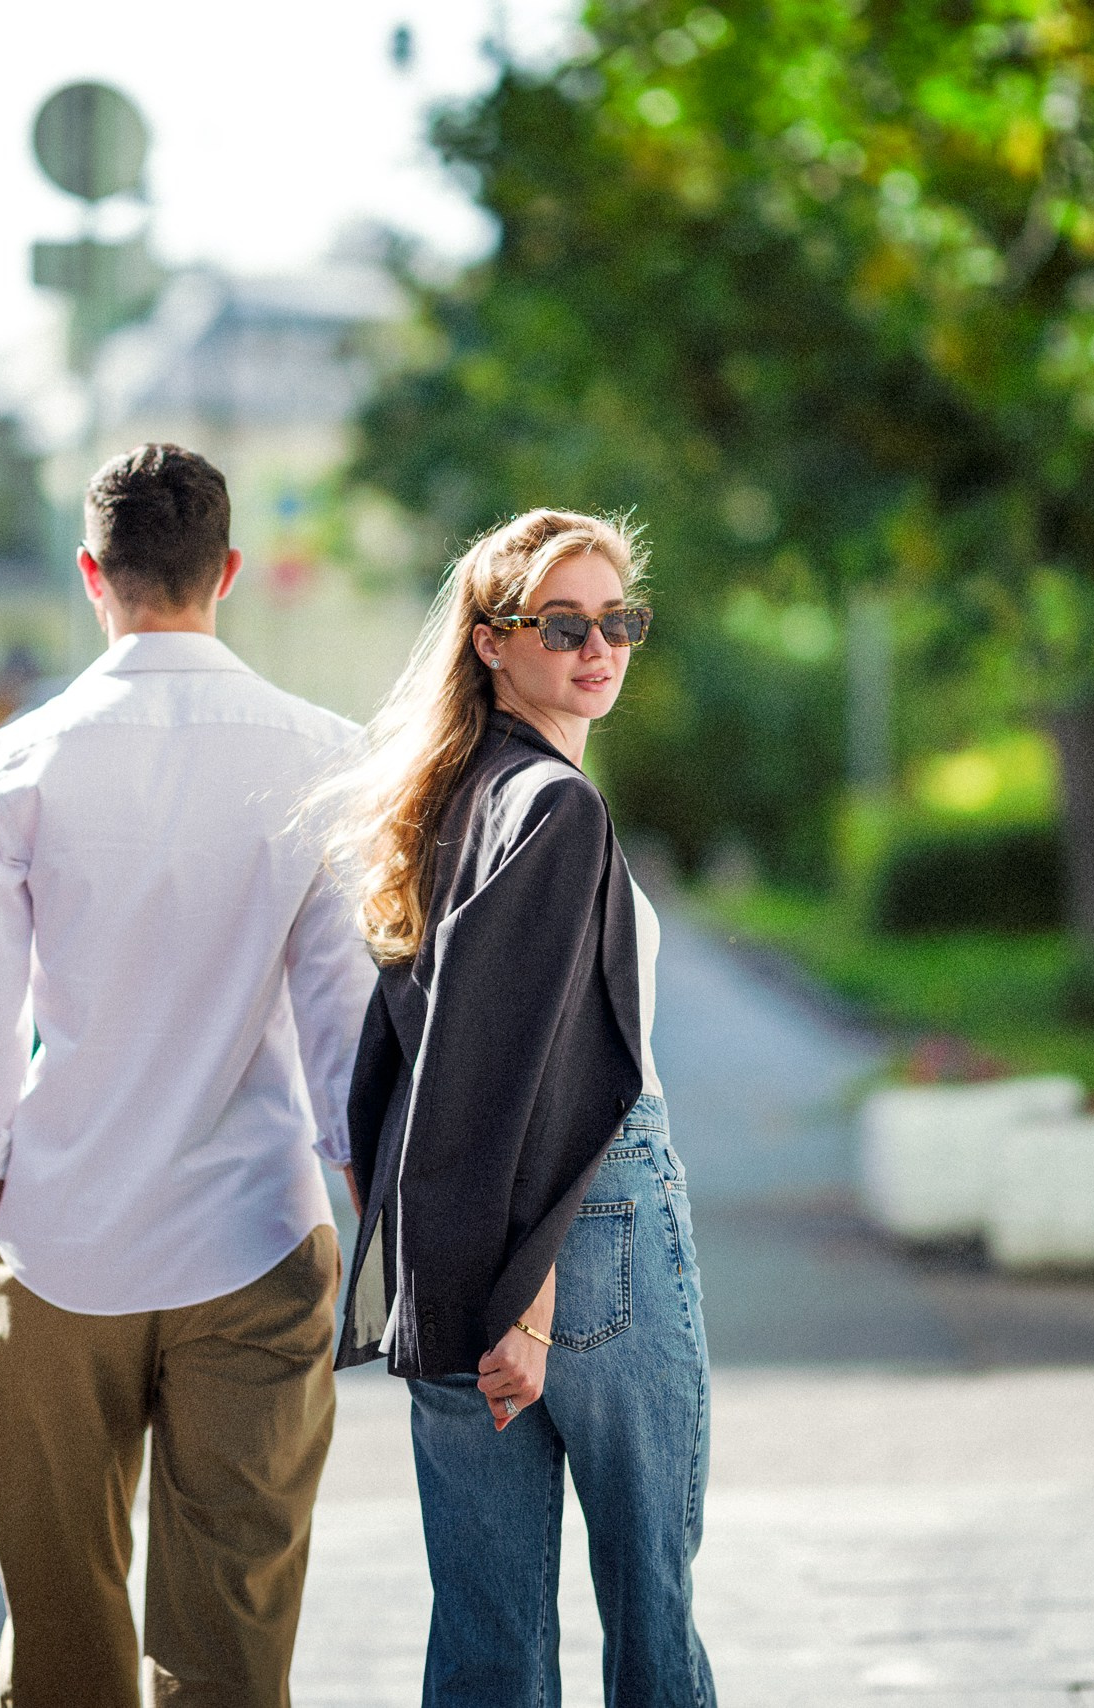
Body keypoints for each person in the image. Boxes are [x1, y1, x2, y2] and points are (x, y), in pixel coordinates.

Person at [0, 443, 375, 1708]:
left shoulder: (19, 760)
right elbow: (338, 1011)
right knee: (231, 1627)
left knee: (63, 1627)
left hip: (60, 1232)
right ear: (226, 571)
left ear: (92, 575)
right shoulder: (326, 755)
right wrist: (360, 1197)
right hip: (255, 1231)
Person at [325, 508, 713, 1706]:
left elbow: (395, 1072)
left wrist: (429, 1266)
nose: (599, 649)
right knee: (649, 1608)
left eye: (619, 622)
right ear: (492, 640)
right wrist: (523, 1305)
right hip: (577, 1237)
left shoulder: (441, 800)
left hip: (454, 1245)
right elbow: (529, 1079)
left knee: (486, 1637)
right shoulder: (558, 808)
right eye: (564, 625)